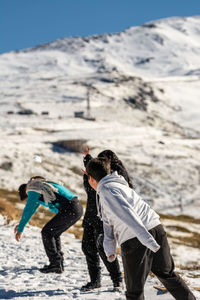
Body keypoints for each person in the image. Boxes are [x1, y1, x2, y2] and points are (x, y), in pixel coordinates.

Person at [86, 157, 196, 300]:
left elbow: (127, 214)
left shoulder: (107, 190)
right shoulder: (118, 185)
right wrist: (110, 248)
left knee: (134, 291)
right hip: (156, 228)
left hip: (136, 238)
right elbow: (108, 223)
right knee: (167, 274)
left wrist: (146, 239)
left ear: (90, 178)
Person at [81, 148, 133, 291]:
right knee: (88, 247)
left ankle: (117, 280)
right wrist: (87, 160)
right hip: (91, 215)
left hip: (103, 216)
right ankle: (95, 281)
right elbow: (90, 186)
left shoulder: (116, 171)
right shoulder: (97, 171)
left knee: (104, 248)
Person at [14, 176, 83, 274]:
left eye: (27, 198)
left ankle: (55, 263)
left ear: (25, 192)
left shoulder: (32, 188)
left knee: (47, 232)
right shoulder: (40, 186)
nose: (28, 198)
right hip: (76, 207)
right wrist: (21, 225)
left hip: (70, 208)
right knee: (53, 233)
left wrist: (20, 229)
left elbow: (28, 209)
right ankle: (58, 263)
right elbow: (33, 209)